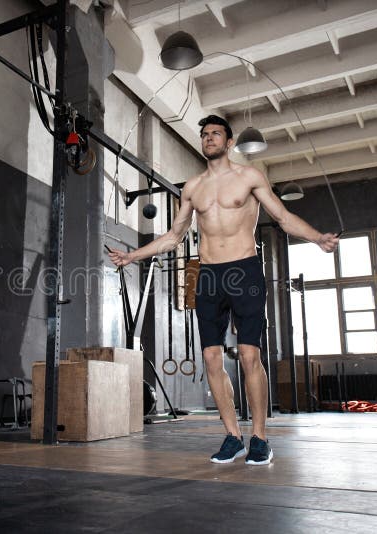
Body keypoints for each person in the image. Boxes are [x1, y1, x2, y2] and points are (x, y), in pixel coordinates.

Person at [108, 115, 338, 465]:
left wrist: (317, 237)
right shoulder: (193, 187)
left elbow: (283, 217)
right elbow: (174, 237)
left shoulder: (249, 177)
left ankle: (259, 437)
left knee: (249, 356)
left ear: (229, 143)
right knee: (212, 358)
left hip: (244, 270)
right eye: (204, 135)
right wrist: (131, 255)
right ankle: (233, 436)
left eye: (216, 134)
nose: (208, 138)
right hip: (208, 274)